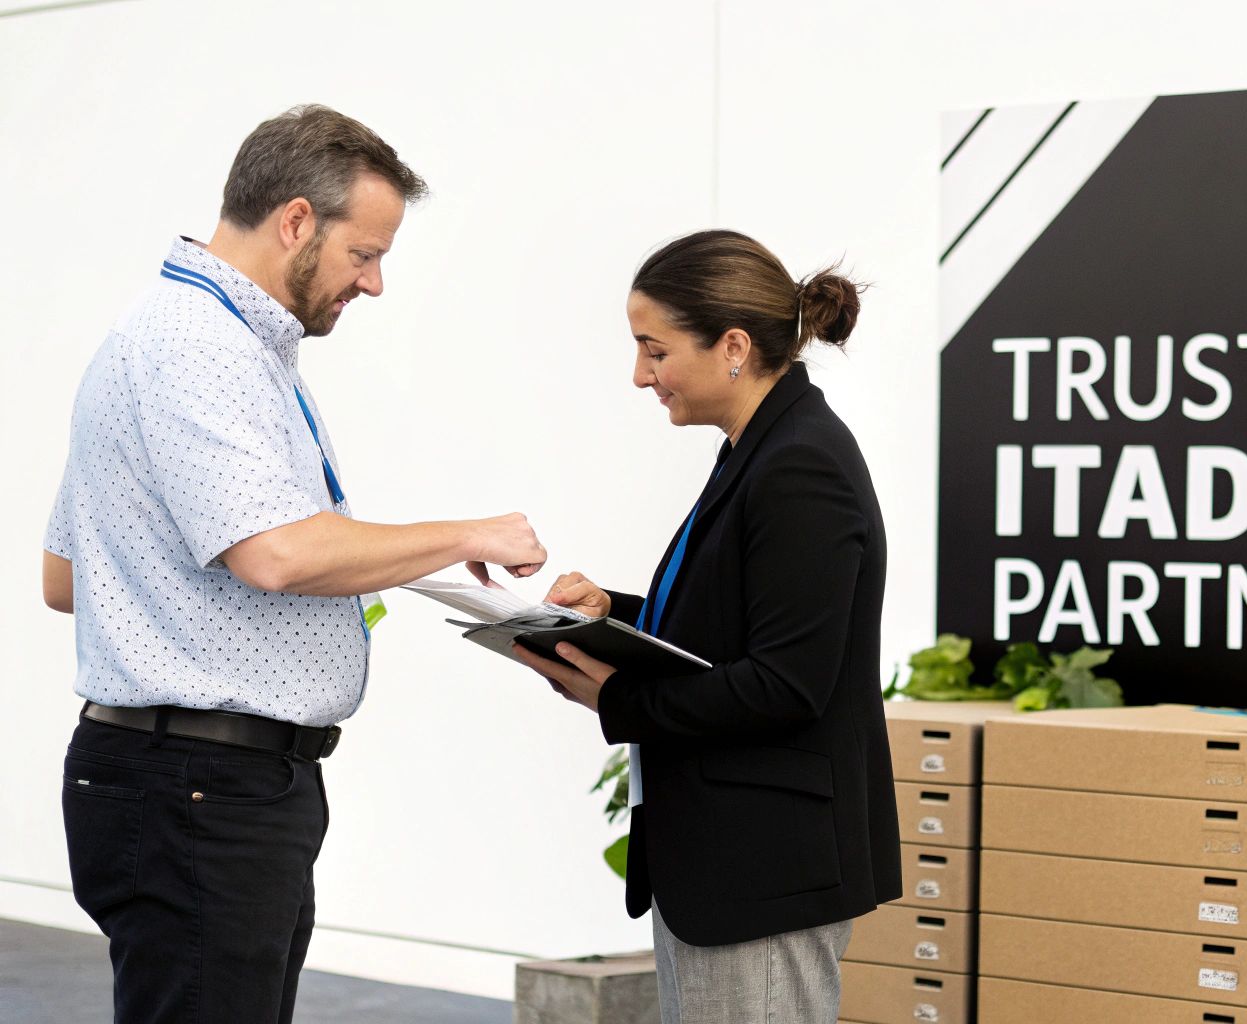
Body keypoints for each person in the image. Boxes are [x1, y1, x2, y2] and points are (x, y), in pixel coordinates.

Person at [41, 104, 548, 1024]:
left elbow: (68, 576)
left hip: (193, 783)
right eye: (368, 254)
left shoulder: (176, 340)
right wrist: (464, 536)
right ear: (298, 222)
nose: (377, 283)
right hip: (199, 789)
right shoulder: (200, 348)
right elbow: (276, 553)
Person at [512, 229, 900, 1024]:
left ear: (731, 346)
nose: (639, 376)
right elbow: (733, 627)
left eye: (654, 351)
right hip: (729, 861)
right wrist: (611, 614)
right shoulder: (757, 450)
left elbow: (787, 685)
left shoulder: (801, 464)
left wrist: (619, 700)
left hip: (762, 868)